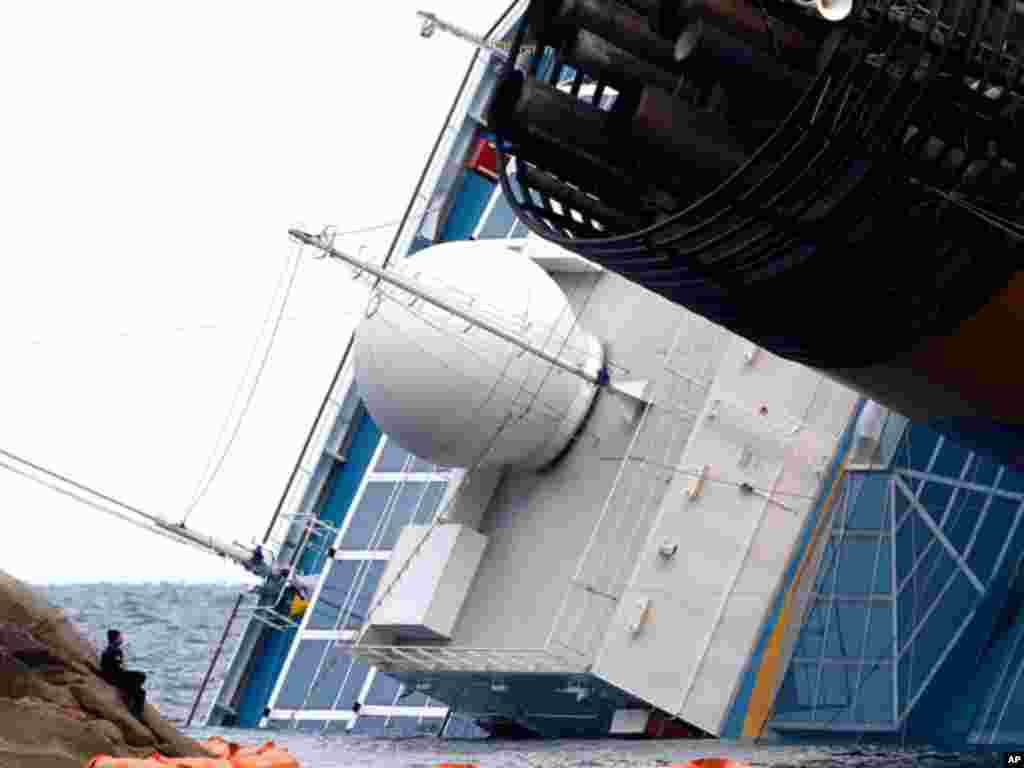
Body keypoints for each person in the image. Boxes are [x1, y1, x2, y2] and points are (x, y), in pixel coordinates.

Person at [100, 629, 147, 719]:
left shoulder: (107, 649)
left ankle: (136, 712)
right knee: (142, 676)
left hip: (111, 676)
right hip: (114, 678)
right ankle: (135, 713)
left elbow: (113, 666)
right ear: (115, 639)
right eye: (120, 637)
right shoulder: (115, 651)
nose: (122, 639)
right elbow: (120, 668)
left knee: (141, 692)